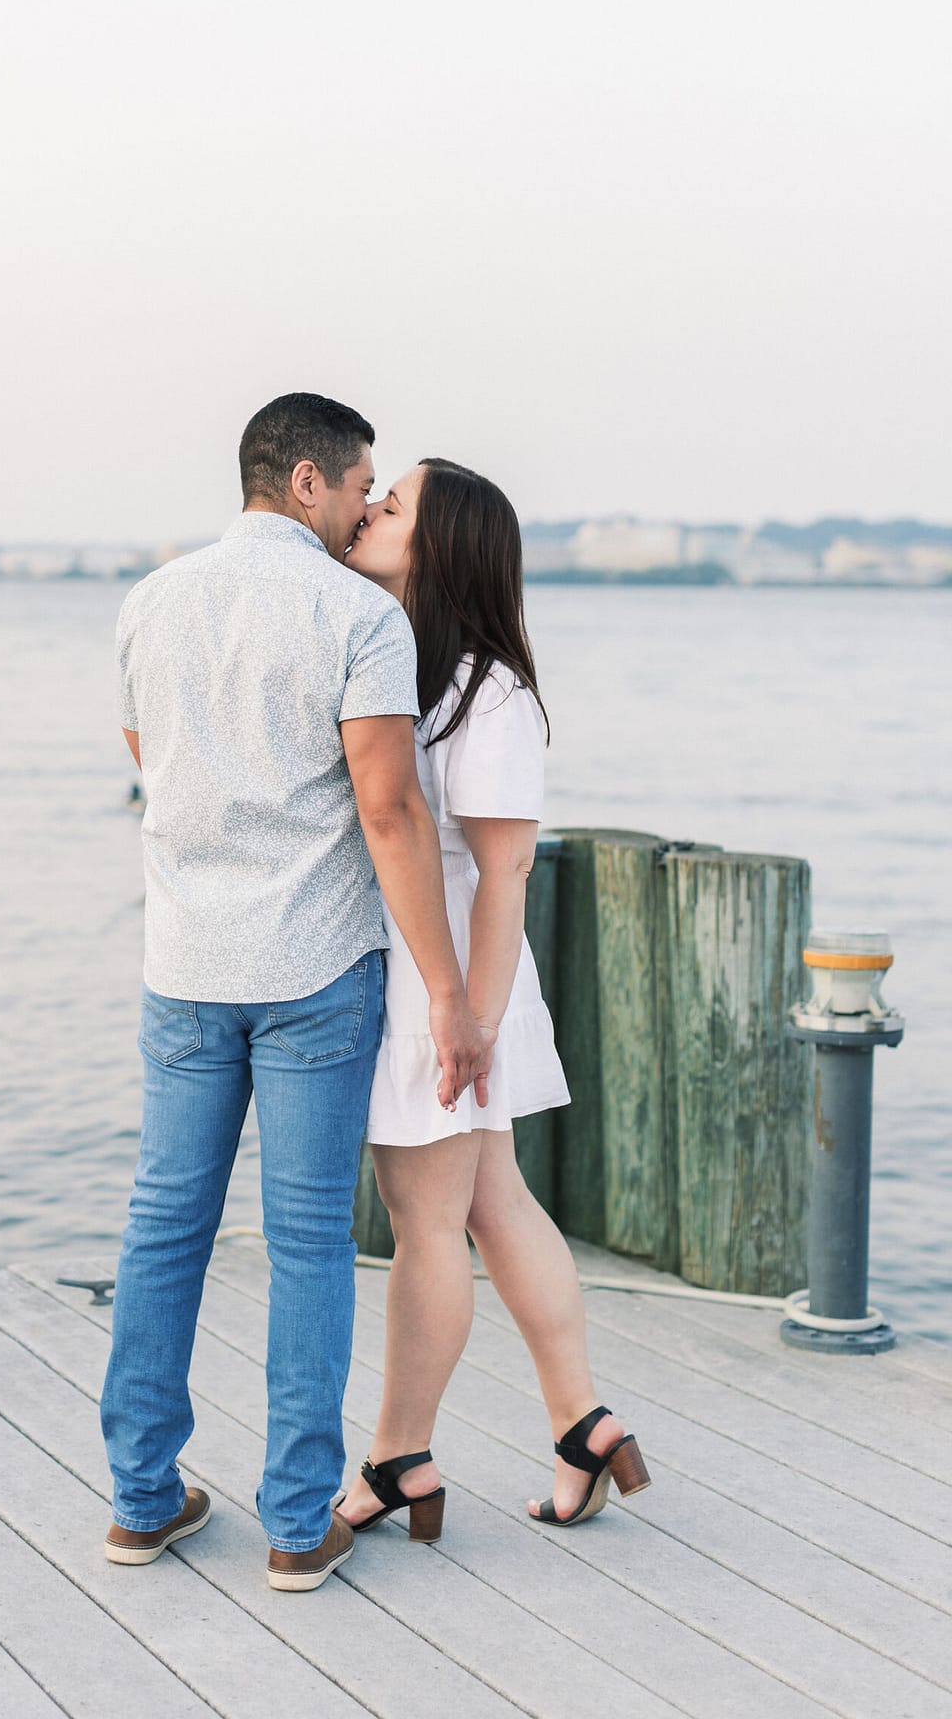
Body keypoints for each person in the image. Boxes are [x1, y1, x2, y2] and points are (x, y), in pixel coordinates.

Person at [100, 394, 488, 1592]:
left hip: (183, 965)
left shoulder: (149, 600)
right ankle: (292, 1524)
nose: (367, 509)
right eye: (361, 485)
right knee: (310, 1239)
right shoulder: (356, 614)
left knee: (164, 1225)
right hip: (314, 968)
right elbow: (388, 809)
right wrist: (446, 990)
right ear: (307, 479)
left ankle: (140, 1503)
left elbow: (150, 766)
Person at [336, 457, 650, 1535]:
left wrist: (465, 1015)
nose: (371, 510)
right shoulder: (405, 660)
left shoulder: (487, 687)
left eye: (393, 504)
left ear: (441, 544)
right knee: (491, 1202)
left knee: (425, 1222)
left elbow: (506, 868)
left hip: (453, 985)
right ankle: (582, 1424)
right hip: (435, 978)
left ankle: (397, 1459)